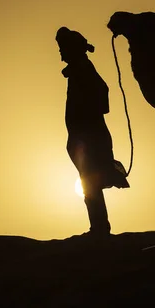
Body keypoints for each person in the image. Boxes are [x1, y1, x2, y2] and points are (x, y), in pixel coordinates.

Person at [56, 26, 129, 236]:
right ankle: (98, 227)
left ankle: (100, 228)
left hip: (89, 138)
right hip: (82, 137)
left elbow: (102, 93)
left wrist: (87, 117)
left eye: (63, 48)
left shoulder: (83, 70)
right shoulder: (79, 70)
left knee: (90, 180)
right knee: (88, 180)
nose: (61, 52)